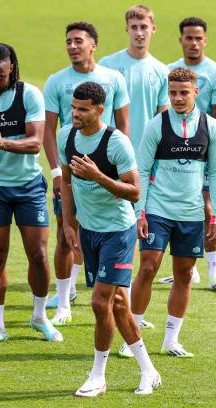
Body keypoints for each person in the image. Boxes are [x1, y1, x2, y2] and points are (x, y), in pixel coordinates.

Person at [57, 82, 161, 396]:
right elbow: (65, 180)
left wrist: (98, 176)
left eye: (83, 109)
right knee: (116, 304)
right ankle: (149, 371)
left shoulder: (117, 143)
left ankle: (97, 376)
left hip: (118, 232)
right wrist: (68, 222)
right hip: (88, 231)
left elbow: (134, 192)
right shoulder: (67, 136)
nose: (76, 113)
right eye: (74, 107)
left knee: (100, 302)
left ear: (100, 110)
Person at [0, 43, 62, 345]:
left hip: (29, 186)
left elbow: (34, 142)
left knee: (39, 255)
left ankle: (40, 317)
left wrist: (1, 143)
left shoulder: (29, 94)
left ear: (12, 71)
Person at [130, 68, 216, 357]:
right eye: (173, 93)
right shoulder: (156, 125)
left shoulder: (210, 127)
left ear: (196, 92)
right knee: (148, 267)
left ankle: (171, 340)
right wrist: (140, 212)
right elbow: (142, 170)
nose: (178, 98)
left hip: (192, 213)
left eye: (184, 92)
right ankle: (131, 336)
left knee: (184, 274)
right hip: (158, 210)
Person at [43, 22, 130, 325]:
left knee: (113, 230)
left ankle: (120, 303)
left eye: (78, 41)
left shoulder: (112, 79)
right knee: (65, 233)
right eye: (67, 41)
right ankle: (64, 302)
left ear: (93, 44)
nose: (71, 46)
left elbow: (123, 127)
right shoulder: (56, 81)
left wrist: (117, 172)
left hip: (106, 169)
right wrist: (56, 171)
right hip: (70, 169)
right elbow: (49, 131)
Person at [99, 4, 169, 343]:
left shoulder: (161, 71)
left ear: (154, 29)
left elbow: (163, 120)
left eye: (144, 25)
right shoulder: (109, 67)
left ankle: (127, 309)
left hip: (148, 169)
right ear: (126, 29)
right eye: (133, 26)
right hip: (116, 165)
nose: (139, 31)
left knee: (142, 239)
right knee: (111, 230)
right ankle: (105, 298)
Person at [159, 17, 216, 292]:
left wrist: (199, 145)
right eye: (188, 38)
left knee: (208, 208)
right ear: (180, 40)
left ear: (205, 40)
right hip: (172, 156)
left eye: (198, 38)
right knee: (173, 207)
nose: (193, 43)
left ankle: (213, 273)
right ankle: (189, 270)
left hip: (203, 154)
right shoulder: (170, 71)